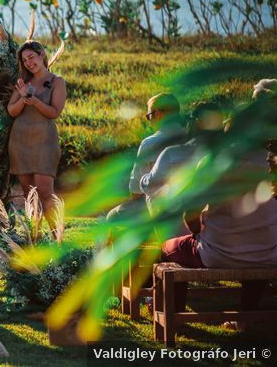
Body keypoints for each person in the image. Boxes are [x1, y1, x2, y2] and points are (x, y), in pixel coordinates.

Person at [160, 83, 277, 316]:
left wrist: (197, 232)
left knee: (168, 248)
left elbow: (190, 213)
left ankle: (175, 314)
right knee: (257, 256)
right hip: (268, 252)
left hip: (218, 253)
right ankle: (246, 318)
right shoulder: (270, 163)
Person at [7, 41, 67, 225]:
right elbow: (11, 110)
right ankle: (35, 240)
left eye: (31, 57)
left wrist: (35, 102)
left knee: (45, 193)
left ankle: (57, 239)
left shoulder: (57, 81)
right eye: (24, 60)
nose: (28, 63)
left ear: (41, 55)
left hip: (45, 143)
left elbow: (55, 112)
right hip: (20, 143)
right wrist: (24, 99)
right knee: (29, 195)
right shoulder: (23, 83)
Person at [106, 93, 186, 223]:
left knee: (111, 217)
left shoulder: (150, 143)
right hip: (189, 204)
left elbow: (136, 192)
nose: (149, 121)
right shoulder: (190, 138)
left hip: (159, 207)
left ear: (158, 114)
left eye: (149, 116)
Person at [140, 102, 223, 214]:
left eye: (189, 120)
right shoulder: (230, 152)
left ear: (197, 123)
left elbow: (149, 186)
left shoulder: (171, 153)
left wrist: (143, 179)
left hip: (183, 225)